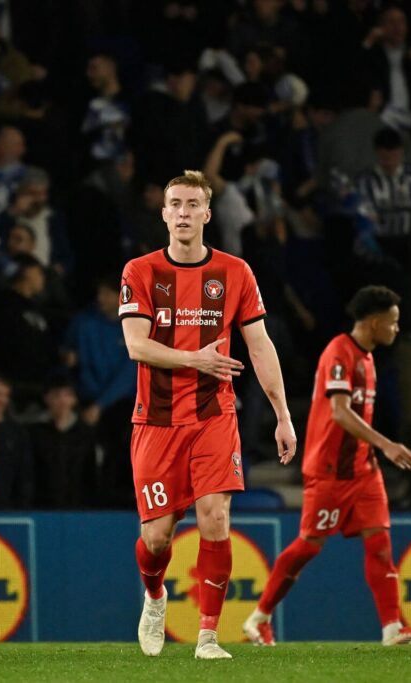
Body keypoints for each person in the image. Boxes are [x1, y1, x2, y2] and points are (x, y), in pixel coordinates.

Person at [120, 170, 297, 660]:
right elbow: (136, 345)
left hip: (214, 415)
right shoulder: (140, 270)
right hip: (155, 421)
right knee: (156, 538)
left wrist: (282, 414)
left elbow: (259, 346)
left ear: (207, 214)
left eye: (192, 204)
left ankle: (208, 636)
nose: (182, 212)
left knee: (215, 516)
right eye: (174, 203)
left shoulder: (236, 272)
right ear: (163, 213)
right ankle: (155, 597)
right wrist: (196, 358)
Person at [241, 286, 411, 647]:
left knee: (379, 544)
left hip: (363, 470)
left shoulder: (368, 358)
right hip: (329, 471)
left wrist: (373, 452)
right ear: (375, 322)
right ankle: (259, 617)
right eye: (392, 323)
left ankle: (393, 629)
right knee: (309, 546)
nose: (397, 329)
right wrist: (387, 444)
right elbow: (339, 411)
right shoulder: (339, 352)